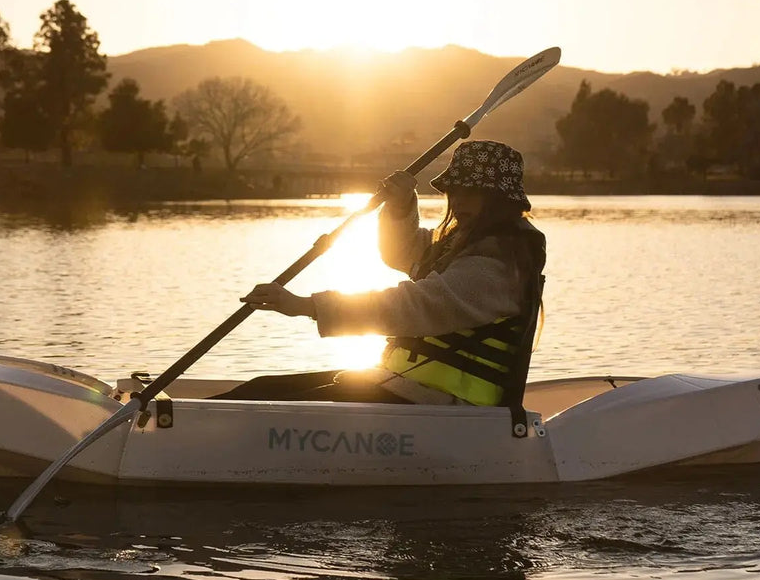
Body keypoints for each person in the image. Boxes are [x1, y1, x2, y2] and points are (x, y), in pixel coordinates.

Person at [218, 139, 545, 407]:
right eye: (455, 190)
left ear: (499, 199)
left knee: (285, 405)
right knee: (263, 388)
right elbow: (405, 253)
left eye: (472, 191)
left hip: (449, 409)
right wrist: (400, 206)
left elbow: (415, 304)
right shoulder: (463, 243)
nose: (458, 200)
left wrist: (307, 306)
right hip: (407, 389)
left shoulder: (502, 263)